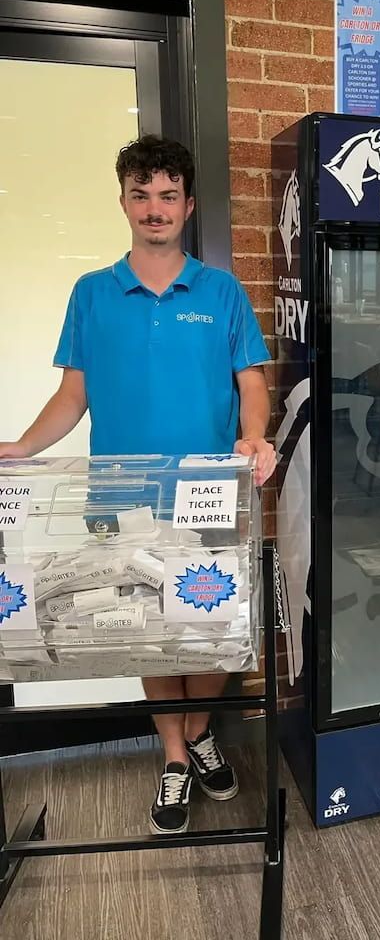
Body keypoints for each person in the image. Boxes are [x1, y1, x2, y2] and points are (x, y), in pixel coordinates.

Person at [0, 135, 275, 835]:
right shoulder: (92, 293)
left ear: (187, 204)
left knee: (206, 629)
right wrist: (24, 446)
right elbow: (74, 394)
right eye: (141, 194)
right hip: (118, 501)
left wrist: (254, 438)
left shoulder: (221, 292)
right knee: (147, 636)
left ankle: (200, 729)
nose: (155, 208)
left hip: (208, 497)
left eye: (167, 195)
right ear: (123, 200)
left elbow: (252, 384)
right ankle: (177, 758)